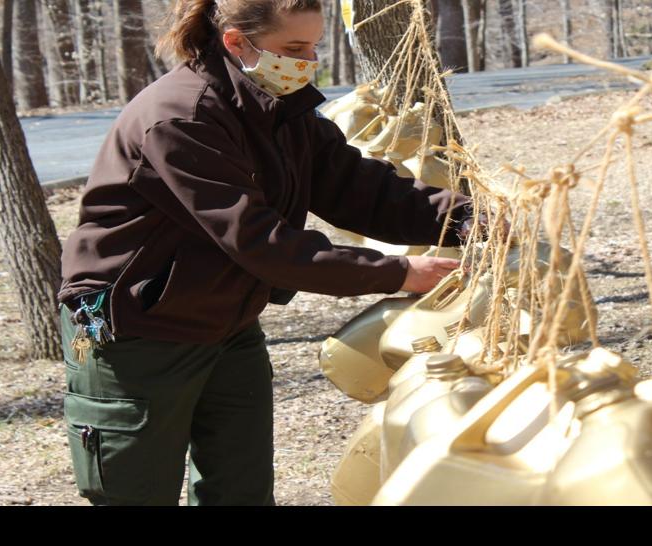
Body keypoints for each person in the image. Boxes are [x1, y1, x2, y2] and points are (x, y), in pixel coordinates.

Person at [56, 0, 467, 506]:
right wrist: (399, 272)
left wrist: (465, 218)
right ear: (236, 42)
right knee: (134, 494)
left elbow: (356, 187)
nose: (307, 61)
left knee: (242, 490)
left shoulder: (280, 106)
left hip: (227, 323)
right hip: (137, 329)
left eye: (313, 47)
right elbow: (257, 240)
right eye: (293, 49)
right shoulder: (179, 118)